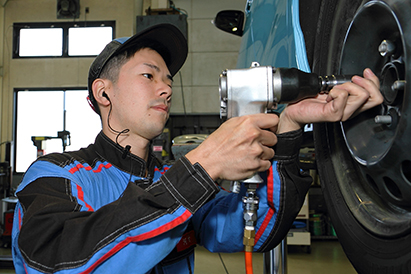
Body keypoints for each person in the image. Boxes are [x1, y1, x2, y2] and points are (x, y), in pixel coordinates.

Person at [11, 23, 382, 274]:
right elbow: (51, 261)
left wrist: (289, 128)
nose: (166, 89)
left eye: (168, 80)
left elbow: (257, 228)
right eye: (148, 75)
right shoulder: (55, 175)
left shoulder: (171, 179)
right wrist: (201, 166)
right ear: (103, 92)